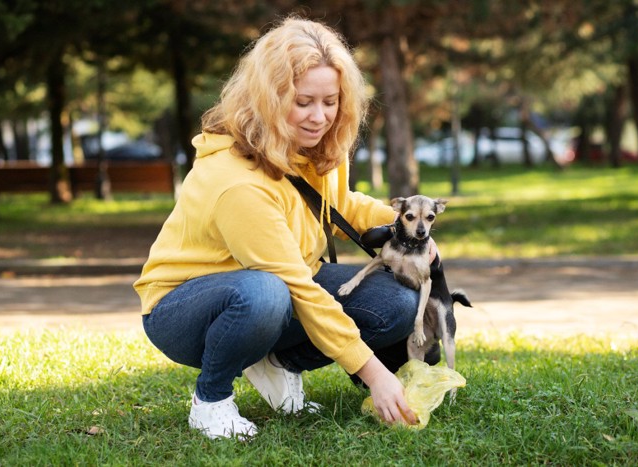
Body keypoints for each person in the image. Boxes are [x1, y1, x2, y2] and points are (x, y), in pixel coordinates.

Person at [134, 16, 435, 440]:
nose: (319, 117)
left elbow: (342, 205)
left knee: (396, 302)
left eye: (330, 101)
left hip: (279, 285)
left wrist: (405, 226)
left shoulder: (316, 147)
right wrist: (374, 373)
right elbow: (296, 284)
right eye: (303, 101)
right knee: (265, 293)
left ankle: (277, 365)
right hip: (184, 307)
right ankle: (211, 401)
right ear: (268, 98)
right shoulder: (237, 183)